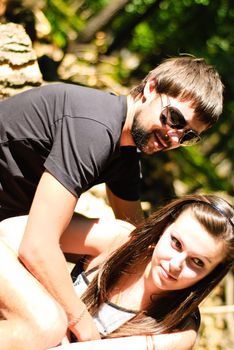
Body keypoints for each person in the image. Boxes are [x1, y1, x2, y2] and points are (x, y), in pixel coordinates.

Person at [0, 56, 224, 341]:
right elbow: (37, 247)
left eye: (187, 135)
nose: (173, 137)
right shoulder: (95, 128)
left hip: (7, 231)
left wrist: (176, 319)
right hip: (11, 235)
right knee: (46, 323)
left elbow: (138, 241)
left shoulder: (125, 154)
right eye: (174, 118)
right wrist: (87, 332)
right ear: (150, 89)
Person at [0, 194, 233, 350]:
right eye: (176, 243)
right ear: (164, 228)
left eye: (197, 262)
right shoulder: (120, 242)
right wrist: (58, 315)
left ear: (210, 275)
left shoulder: (178, 330)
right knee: (47, 323)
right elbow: (11, 232)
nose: (176, 264)